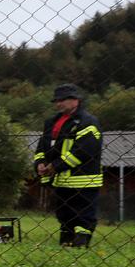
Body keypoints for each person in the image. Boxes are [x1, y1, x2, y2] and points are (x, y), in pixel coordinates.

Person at [34, 83, 104, 246]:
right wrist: (40, 162)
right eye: (56, 100)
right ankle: (66, 242)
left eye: (62, 100)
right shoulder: (51, 122)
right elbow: (42, 147)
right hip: (61, 180)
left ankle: (81, 243)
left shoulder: (88, 122)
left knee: (84, 214)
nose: (58, 104)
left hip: (84, 180)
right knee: (64, 214)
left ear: (75, 101)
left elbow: (84, 151)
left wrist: (55, 166)